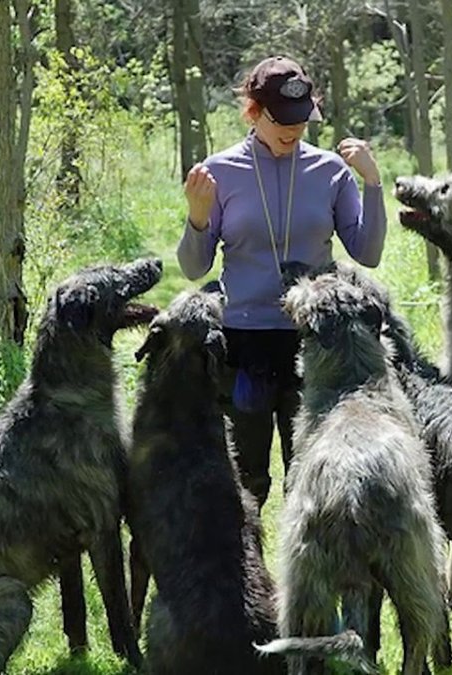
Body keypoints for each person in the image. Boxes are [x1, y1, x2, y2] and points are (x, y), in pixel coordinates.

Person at [176, 55, 386, 508]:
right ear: (253, 112)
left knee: (313, 473)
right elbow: (194, 269)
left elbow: (367, 252)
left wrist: (372, 183)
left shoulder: (330, 172)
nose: (292, 130)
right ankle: (247, 575)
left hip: (316, 343)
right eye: (281, 121)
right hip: (243, 344)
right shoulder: (220, 172)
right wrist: (197, 217)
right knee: (246, 480)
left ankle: (308, 576)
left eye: (302, 120)